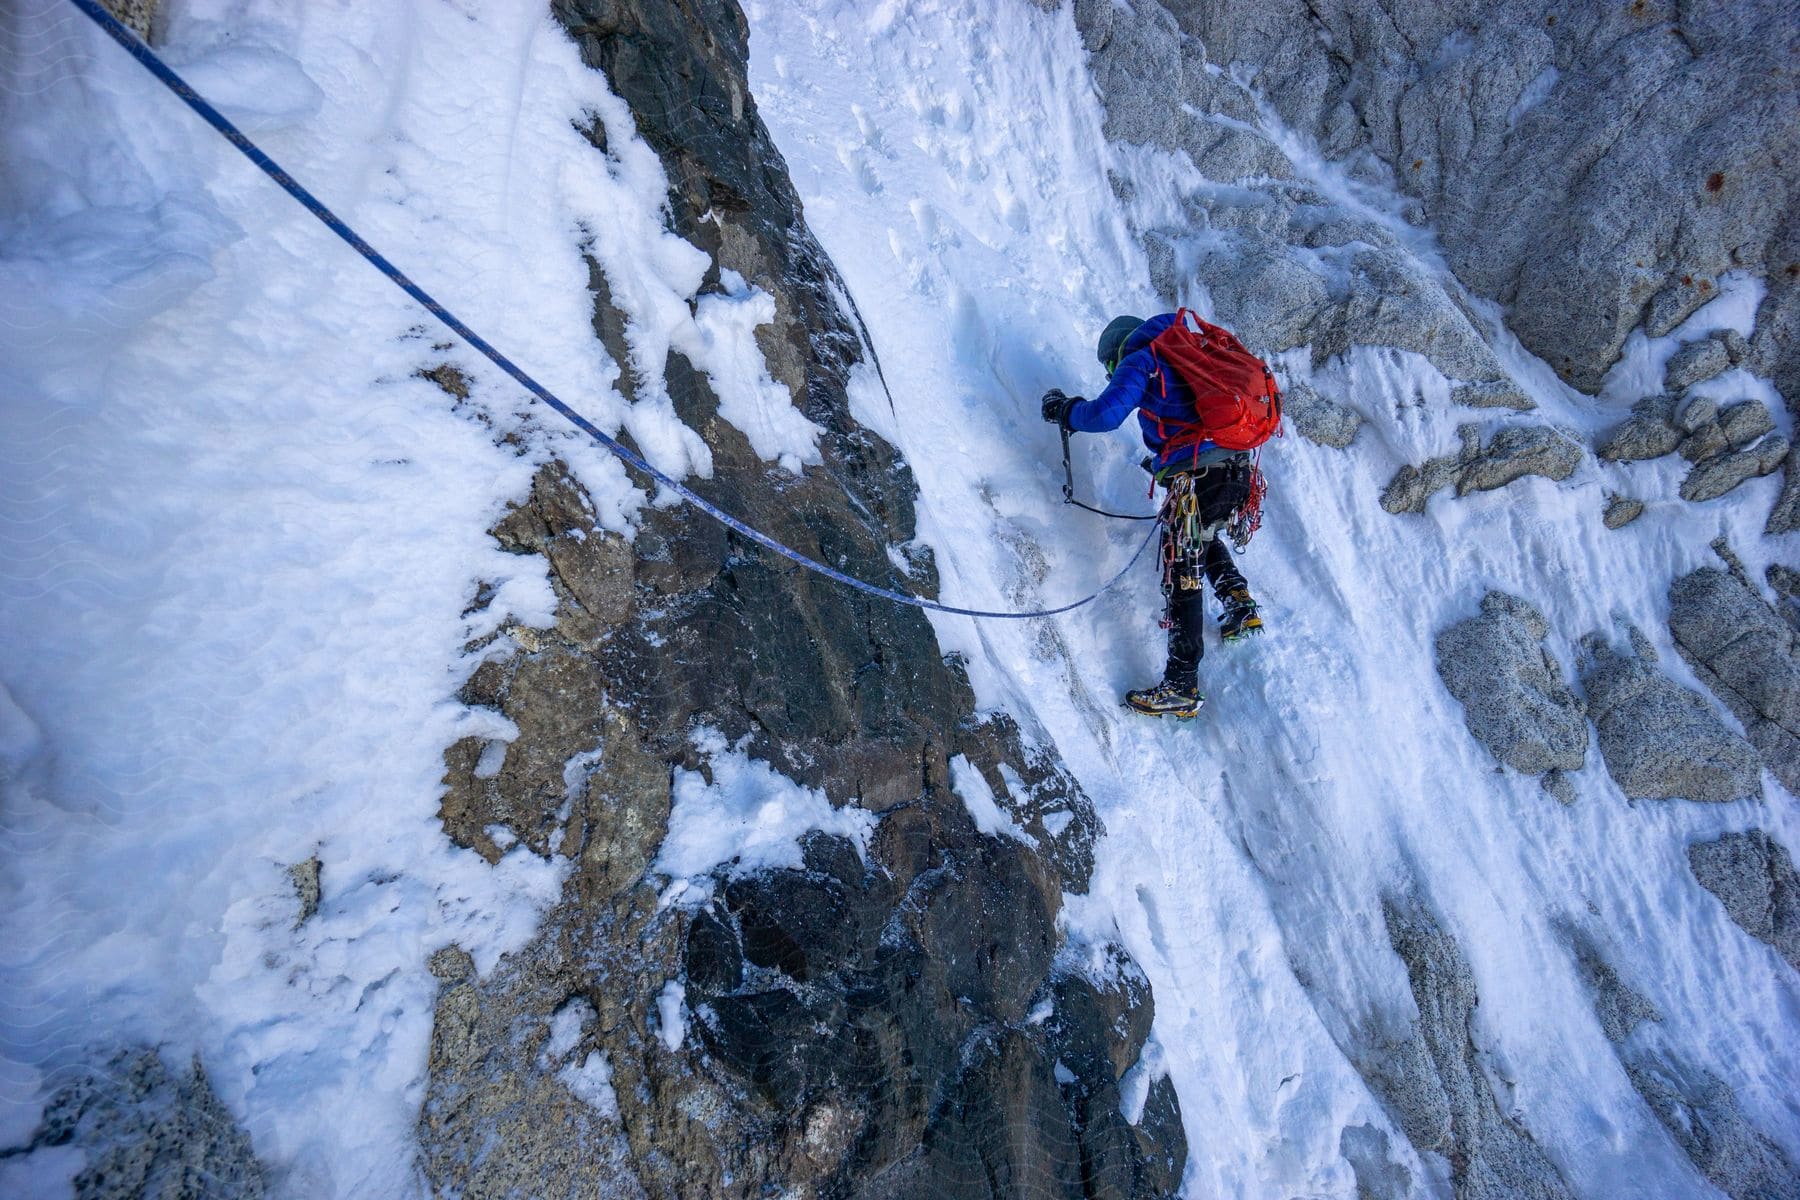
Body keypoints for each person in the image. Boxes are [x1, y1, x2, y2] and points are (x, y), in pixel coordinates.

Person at [1042, 313, 1266, 719]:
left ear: (1115, 355)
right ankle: (1239, 602)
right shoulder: (1186, 351)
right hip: (1238, 469)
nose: (1113, 373)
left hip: (1200, 476)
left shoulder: (1141, 358)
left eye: (1110, 367)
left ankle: (1182, 684)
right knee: (1202, 538)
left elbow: (1106, 415)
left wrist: (1066, 411)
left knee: (1184, 570)